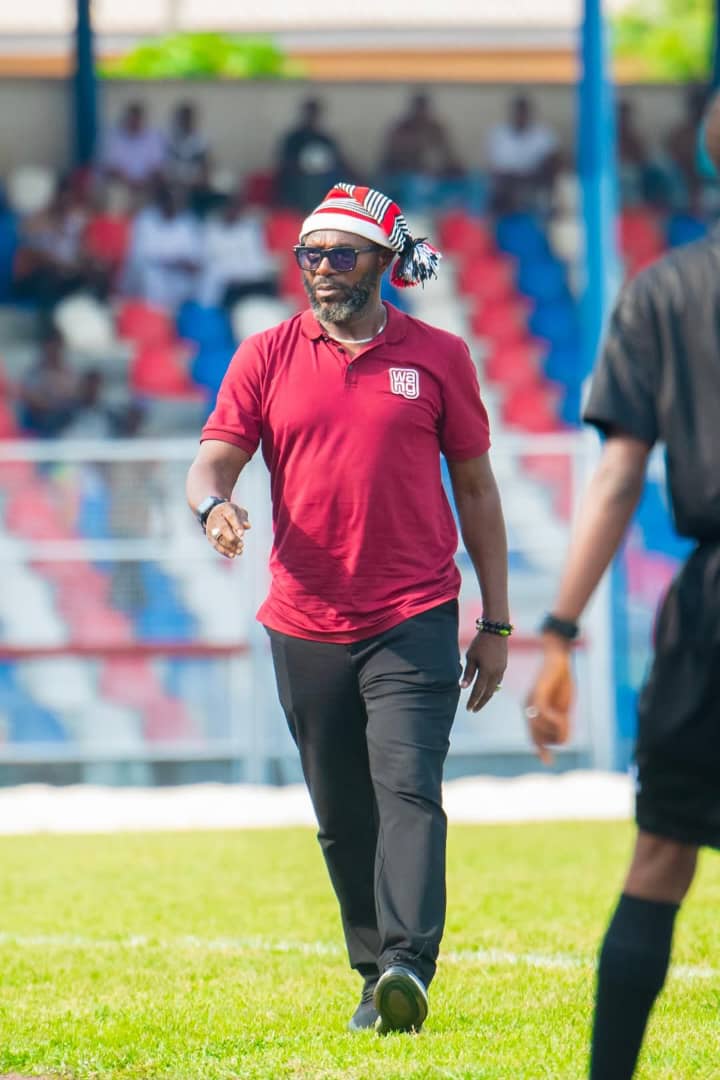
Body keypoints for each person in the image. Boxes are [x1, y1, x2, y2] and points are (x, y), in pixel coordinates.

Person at [186, 181, 510, 1035]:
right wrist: (212, 505)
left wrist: (497, 621)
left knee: (409, 789)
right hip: (304, 621)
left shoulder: (440, 356)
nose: (322, 268)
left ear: (383, 262)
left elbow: (478, 490)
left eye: (340, 254)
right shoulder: (265, 355)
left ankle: (407, 963)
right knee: (342, 815)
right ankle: (374, 977)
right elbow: (214, 458)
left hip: (415, 613)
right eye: (310, 255)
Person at [525, 91, 720, 1080]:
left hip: (713, 609)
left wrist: (559, 630)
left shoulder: (663, 292)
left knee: (663, 855)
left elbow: (616, 478)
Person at [379, 92, 465, 211]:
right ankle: (418, 217)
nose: (422, 114)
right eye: (419, 110)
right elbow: (393, 162)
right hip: (404, 179)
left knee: (471, 183)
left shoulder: (436, 129)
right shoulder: (401, 130)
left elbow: (449, 157)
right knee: (415, 185)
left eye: (424, 110)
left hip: (436, 178)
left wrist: (449, 169)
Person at [123, 181, 202, 311]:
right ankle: (152, 316)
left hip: (177, 275)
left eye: (179, 200)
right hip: (148, 270)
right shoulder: (146, 218)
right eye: (171, 199)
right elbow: (140, 254)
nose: (174, 204)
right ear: (163, 200)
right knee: (151, 278)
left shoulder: (188, 223)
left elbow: (194, 257)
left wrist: (188, 264)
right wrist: (172, 261)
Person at [198, 188, 277, 308]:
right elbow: (208, 261)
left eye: (237, 207)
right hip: (218, 284)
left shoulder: (250, 230)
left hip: (244, 283)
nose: (233, 211)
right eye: (230, 207)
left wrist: (240, 276)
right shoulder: (210, 229)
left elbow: (256, 262)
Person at [275, 99, 352, 213]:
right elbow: (284, 164)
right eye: (309, 113)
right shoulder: (294, 139)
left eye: (314, 113)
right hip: (299, 182)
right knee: (310, 184)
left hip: (325, 179)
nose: (311, 117)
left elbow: (340, 161)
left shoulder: (324, 139)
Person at [486, 94, 560, 213]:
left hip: (535, 180)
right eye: (518, 112)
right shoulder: (499, 133)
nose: (520, 116)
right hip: (508, 182)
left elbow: (553, 161)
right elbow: (495, 167)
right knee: (498, 189)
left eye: (523, 112)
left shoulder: (543, 134)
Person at [100, 102, 166, 191]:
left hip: (147, 185)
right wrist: (129, 182)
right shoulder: (113, 136)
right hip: (120, 185)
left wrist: (143, 182)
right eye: (132, 119)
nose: (135, 122)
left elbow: (157, 166)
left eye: (138, 119)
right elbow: (110, 167)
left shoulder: (153, 137)